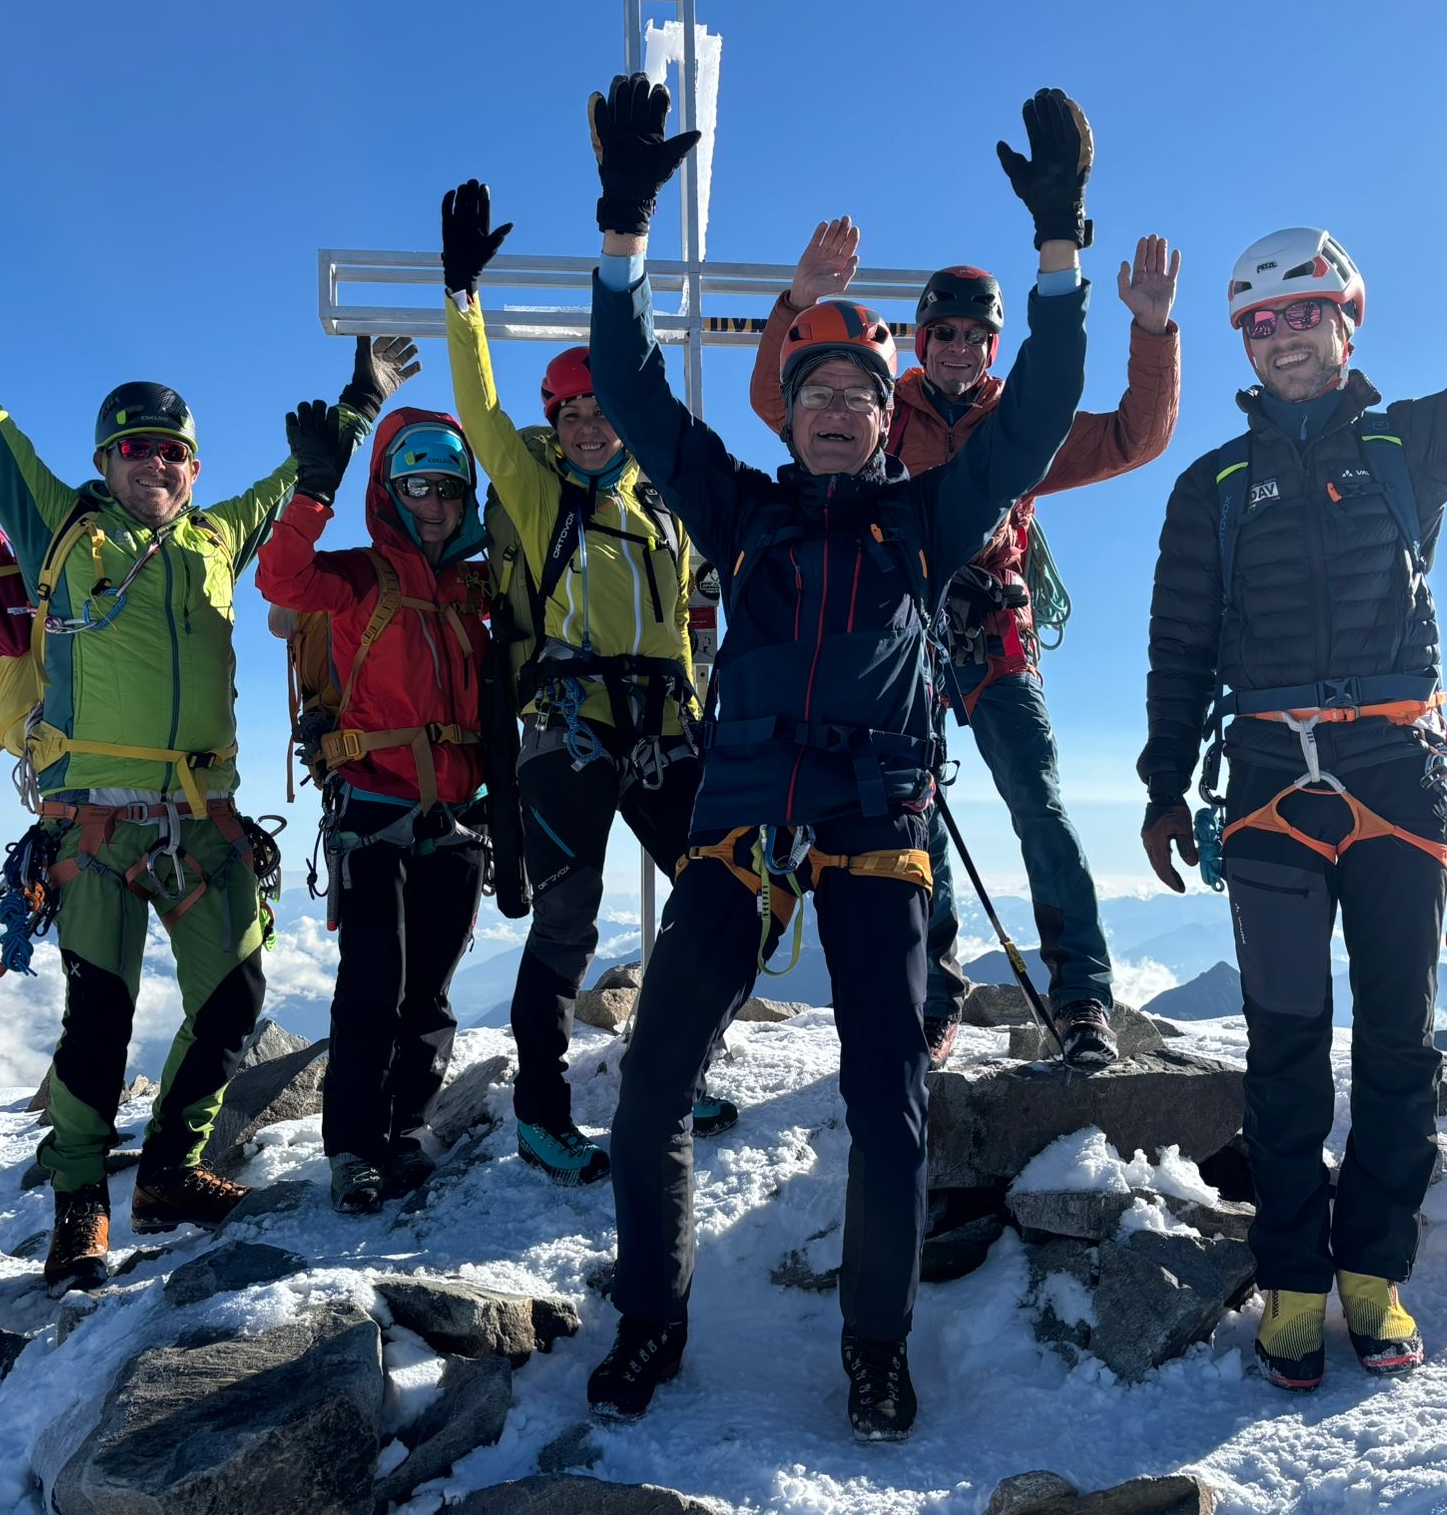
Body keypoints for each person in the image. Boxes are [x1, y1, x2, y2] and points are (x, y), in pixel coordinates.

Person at [578, 74, 1093, 1440]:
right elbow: (630, 394)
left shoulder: (927, 524)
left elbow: (1036, 417)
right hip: (742, 823)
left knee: (891, 1106)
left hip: (875, 821)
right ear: (789, 412)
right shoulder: (740, 512)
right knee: (653, 1090)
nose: (832, 407)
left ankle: (875, 1348)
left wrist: (1061, 256)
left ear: (884, 420)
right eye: (811, 387)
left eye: (857, 393)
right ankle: (652, 1322)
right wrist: (623, 227)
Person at [1136, 69, 1447, 1389]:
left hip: (1401, 780)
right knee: (1287, 1046)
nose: (1283, 335)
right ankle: (1294, 1281)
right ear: (1247, 344)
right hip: (1269, 791)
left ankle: (1371, 1274)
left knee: (1401, 1045)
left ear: (1348, 317)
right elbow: (1180, 646)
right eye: (1261, 321)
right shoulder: (1210, 487)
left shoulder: (1415, 446)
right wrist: (1166, 785)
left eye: (1305, 312)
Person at [0, 154, 415, 1296]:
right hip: (97, 829)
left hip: (202, 825)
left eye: (170, 448)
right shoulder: (56, 524)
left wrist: (359, 401)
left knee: (237, 1001)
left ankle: (167, 1170)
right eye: (131, 444)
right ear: (105, 457)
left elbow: (296, 485)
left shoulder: (217, 536)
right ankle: (77, 1205)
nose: (151, 461)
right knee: (97, 1028)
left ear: (190, 466)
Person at [749, 223, 1182, 1066]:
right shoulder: (880, 407)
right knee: (920, 817)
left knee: (1039, 805)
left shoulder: (1021, 421)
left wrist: (1153, 329)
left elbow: (1137, 435)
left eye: (978, 335)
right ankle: (937, 993)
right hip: (902, 644)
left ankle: (1083, 994)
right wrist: (799, 303)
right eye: (944, 332)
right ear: (920, 338)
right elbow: (781, 401)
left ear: (994, 344)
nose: (959, 347)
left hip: (993, 638)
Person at [436, 178, 723, 1187]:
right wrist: (462, 299)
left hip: (660, 728)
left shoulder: (665, 505)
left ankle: (676, 1075)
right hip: (568, 733)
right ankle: (543, 1114)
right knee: (566, 923)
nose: (588, 426)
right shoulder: (532, 487)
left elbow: (690, 616)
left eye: (602, 409)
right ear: (552, 419)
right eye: (569, 412)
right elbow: (476, 405)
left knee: (717, 895)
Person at [256, 405, 492, 1213]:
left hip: (459, 818)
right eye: (419, 485)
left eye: (451, 490)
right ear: (390, 491)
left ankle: (406, 1128)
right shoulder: (357, 576)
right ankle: (353, 1148)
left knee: (428, 989)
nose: (436, 504)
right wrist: (315, 488)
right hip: (372, 811)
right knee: (372, 987)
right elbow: (281, 581)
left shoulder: (470, 589)